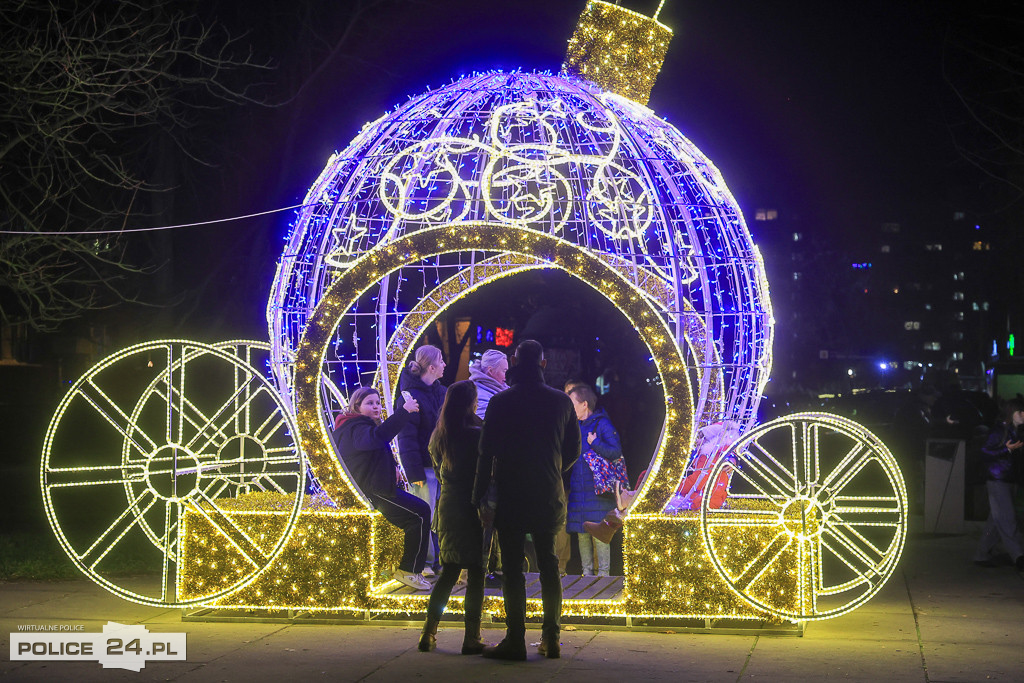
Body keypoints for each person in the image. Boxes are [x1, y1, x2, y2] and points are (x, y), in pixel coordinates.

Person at [473, 340, 581, 660]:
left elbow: (485, 451)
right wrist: (553, 470)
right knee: (549, 564)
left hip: (511, 492)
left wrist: (478, 495)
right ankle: (551, 638)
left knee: (512, 568)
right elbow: (574, 448)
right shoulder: (561, 402)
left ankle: (515, 639)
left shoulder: (502, 401)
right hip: (547, 491)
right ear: (544, 364)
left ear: (514, 360)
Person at [333, 387, 431, 591]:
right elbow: (377, 438)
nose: (376, 407)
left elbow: (375, 446)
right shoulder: (355, 426)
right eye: (370, 403)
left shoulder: (358, 425)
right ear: (356, 406)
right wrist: (404, 412)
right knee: (420, 514)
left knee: (419, 513)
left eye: (377, 403)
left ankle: (410, 569)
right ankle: (410, 570)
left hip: (379, 487)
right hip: (374, 491)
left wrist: (393, 466)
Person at [418, 381, 487, 654]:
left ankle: (428, 632)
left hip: (448, 506)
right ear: (472, 403)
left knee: (448, 573)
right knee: (477, 573)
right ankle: (472, 636)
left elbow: (439, 470)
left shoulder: (439, 435)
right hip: (473, 507)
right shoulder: (478, 434)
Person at [396, 345, 447, 574]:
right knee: (426, 513)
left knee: (439, 515)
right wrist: (414, 473)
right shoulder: (409, 397)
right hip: (425, 468)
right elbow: (407, 440)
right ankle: (426, 562)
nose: (445, 365)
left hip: (441, 466)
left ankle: (438, 560)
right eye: (442, 361)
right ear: (432, 367)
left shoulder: (441, 392)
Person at [566, 384, 623, 577]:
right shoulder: (573, 425)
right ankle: (586, 576)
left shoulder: (602, 424)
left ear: (584, 404)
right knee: (582, 533)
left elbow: (615, 452)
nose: (569, 407)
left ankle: (604, 578)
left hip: (597, 491)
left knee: (600, 534)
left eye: (572, 402)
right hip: (579, 489)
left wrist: (595, 442)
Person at [468, 349, 510, 585]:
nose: (505, 375)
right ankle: (484, 569)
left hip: (495, 465)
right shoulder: (482, 392)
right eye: (503, 371)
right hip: (488, 466)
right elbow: (485, 426)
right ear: (491, 371)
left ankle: (494, 567)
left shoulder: (494, 390)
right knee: (487, 518)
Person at [973, 398, 1024, 572]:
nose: (1023, 415)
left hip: (1007, 479)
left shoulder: (1013, 430)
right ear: (1012, 413)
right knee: (1007, 519)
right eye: (1020, 412)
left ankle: (982, 554)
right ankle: (1018, 556)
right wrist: (1006, 450)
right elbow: (984, 451)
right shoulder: (1000, 430)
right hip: (998, 479)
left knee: (996, 520)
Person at [468, 349, 509, 420]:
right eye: (504, 371)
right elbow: (483, 423)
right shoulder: (479, 395)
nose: (507, 375)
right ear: (490, 371)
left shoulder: (503, 389)